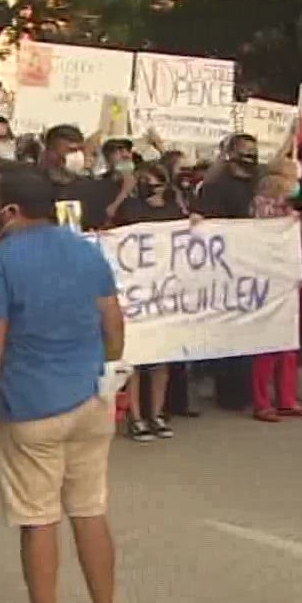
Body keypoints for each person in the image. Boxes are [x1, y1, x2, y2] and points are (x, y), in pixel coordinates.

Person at [0, 166, 126, 603]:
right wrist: (107, 371)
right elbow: (113, 323)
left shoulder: (0, 262)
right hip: (90, 398)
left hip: (31, 404)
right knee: (90, 509)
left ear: (9, 211)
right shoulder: (85, 250)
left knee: (38, 519)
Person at [113, 162, 188, 439]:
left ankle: (156, 413)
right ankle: (136, 416)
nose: (145, 184)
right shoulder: (131, 209)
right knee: (135, 357)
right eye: (141, 179)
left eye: (151, 180)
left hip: (164, 291)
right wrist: (124, 193)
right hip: (136, 290)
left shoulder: (173, 211)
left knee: (160, 358)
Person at [249, 157, 302, 420]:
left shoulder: (290, 209)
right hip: (268, 278)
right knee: (267, 342)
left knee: (288, 341)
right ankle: (263, 401)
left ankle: (287, 398)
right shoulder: (262, 206)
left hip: (288, 277)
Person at [41, 124, 113, 231]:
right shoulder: (32, 186)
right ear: (50, 153)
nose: (78, 156)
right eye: (71, 150)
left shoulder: (93, 189)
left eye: (80, 150)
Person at [193, 133, 260, 220]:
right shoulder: (215, 184)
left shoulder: (258, 180)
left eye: (254, 150)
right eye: (247, 149)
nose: (252, 153)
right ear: (231, 153)